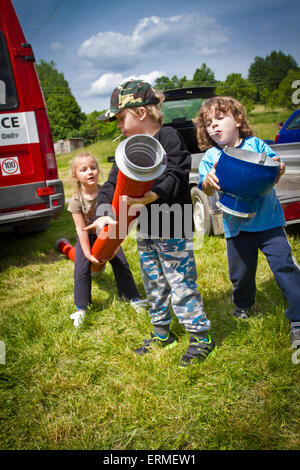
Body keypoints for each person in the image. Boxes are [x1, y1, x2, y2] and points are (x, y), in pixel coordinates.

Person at [87, 79, 215, 367]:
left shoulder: (168, 137)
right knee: (154, 282)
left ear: (141, 113)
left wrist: (152, 195)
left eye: (121, 118)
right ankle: (161, 333)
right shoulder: (127, 148)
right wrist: (102, 214)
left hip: (173, 224)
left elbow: (178, 172)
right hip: (147, 229)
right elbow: (110, 185)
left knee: (180, 282)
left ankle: (200, 336)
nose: (119, 125)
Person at [195, 96, 300, 346]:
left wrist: (280, 166)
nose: (215, 126)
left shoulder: (256, 145)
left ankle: (297, 319)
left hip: (269, 222)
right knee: (241, 274)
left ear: (238, 120)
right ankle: (243, 306)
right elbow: (206, 189)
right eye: (209, 123)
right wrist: (208, 183)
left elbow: (277, 165)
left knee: (285, 267)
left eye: (221, 119)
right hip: (237, 226)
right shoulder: (211, 156)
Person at [67, 152, 143, 327]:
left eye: (93, 168)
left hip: (108, 235)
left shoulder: (106, 194)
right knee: (81, 270)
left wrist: (114, 248)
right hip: (87, 237)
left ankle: (133, 298)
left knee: (121, 264)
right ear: (75, 176)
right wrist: (87, 253)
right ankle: (81, 308)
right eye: (83, 169)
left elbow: (117, 222)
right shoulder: (76, 200)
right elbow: (80, 229)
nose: (90, 172)